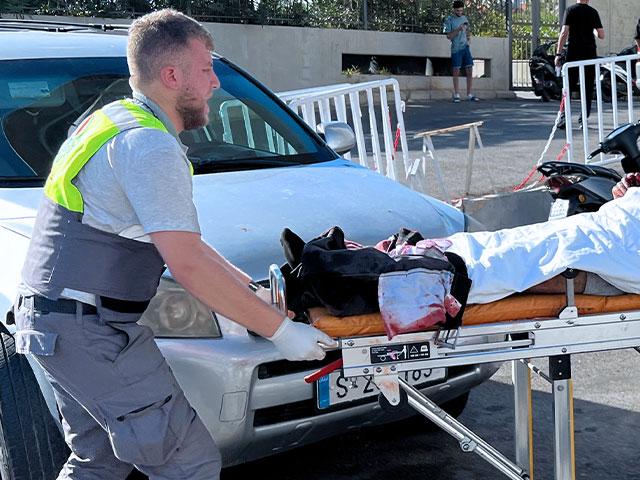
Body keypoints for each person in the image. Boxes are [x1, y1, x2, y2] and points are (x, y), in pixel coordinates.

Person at [13, 9, 335, 480]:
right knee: (188, 464)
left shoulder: (112, 119)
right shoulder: (149, 146)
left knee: (97, 461)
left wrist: (252, 292)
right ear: (171, 75)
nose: (216, 85)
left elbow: (189, 245)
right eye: (207, 70)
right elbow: (186, 265)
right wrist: (280, 331)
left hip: (57, 325)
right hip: (89, 331)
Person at [555, 0, 605, 129]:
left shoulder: (570, 10)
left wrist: (558, 54)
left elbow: (564, 32)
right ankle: (583, 120)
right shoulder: (593, 12)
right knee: (587, 87)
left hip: (574, 52)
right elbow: (601, 35)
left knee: (568, 86)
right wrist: (593, 31)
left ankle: (564, 118)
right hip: (589, 53)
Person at [443, 0, 479, 103]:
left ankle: (469, 94)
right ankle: (456, 94)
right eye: (458, 11)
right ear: (454, 9)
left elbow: (468, 30)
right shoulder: (449, 20)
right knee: (456, 71)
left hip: (465, 48)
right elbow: (449, 36)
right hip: (456, 48)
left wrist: (468, 38)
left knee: (469, 70)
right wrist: (458, 29)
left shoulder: (464, 18)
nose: (460, 12)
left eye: (461, 11)